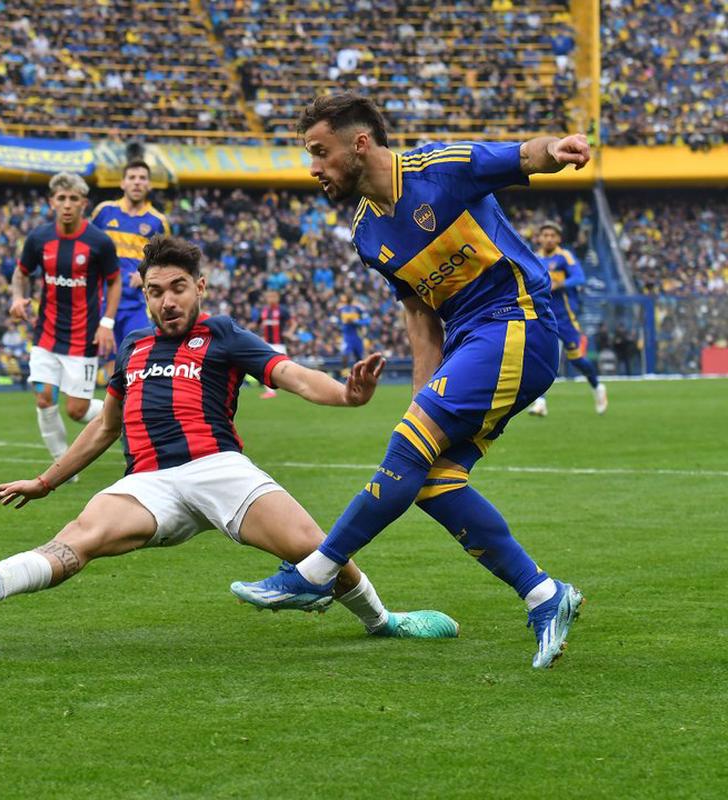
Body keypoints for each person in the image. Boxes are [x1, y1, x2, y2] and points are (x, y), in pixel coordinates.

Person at [0, 235, 459, 641]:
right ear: (144, 295)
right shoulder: (130, 347)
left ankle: (382, 621)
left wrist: (347, 394)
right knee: (78, 537)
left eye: (178, 288)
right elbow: (106, 426)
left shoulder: (221, 333)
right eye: (156, 292)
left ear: (199, 287)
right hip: (147, 482)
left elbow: (290, 373)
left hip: (217, 468)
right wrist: (45, 481)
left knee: (312, 549)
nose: (168, 301)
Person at [232, 93, 586, 669]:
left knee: (407, 446)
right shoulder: (367, 234)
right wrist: (425, 394)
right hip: (471, 342)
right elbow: (421, 317)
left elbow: (524, 155)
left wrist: (558, 149)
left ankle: (316, 572)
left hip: (520, 324)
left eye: (320, 153)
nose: (313, 168)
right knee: (431, 479)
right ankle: (546, 595)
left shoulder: (439, 170)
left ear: (360, 143)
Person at [12, 172, 122, 465]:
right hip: (45, 334)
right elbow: (21, 273)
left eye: (74, 199)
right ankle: (63, 465)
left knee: (77, 410)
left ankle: (130, 416)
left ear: (84, 203)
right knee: (44, 397)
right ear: (52, 202)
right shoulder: (39, 238)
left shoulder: (99, 242)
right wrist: (16, 297)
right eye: (61, 198)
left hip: (83, 337)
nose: (67, 204)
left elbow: (114, 281)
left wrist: (107, 323)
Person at [527, 221, 607, 417]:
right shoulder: (534, 258)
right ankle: (540, 402)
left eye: (552, 235)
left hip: (565, 317)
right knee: (542, 358)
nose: (548, 239)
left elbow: (579, 278)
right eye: (545, 235)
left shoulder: (565, 257)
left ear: (559, 238)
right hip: (543, 316)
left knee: (577, 360)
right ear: (539, 238)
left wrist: (560, 283)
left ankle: (597, 387)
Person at [90, 160, 170, 347]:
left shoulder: (158, 221)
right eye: (132, 177)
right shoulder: (104, 211)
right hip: (102, 299)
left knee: (136, 356)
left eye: (142, 178)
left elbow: (165, 262)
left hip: (136, 304)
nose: (137, 182)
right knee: (106, 358)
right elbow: (87, 247)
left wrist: (146, 276)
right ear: (122, 183)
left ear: (149, 185)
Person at [254, 288, 293, 398]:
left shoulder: (282, 311)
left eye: (273, 296)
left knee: (286, 367)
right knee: (265, 367)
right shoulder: (264, 311)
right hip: (267, 344)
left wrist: (289, 332)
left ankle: (291, 386)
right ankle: (270, 392)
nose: (271, 299)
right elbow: (257, 324)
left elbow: (293, 323)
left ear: (278, 298)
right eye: (269, 296)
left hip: (279, 344)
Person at [336, 292, 367, 376]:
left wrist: (356, 322)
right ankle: (345, 374)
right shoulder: (341, 309)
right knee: (345, 354)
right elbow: (337, 321)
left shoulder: (358, 308)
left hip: (357, 335)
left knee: (359, 357)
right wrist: (341, 324)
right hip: (347, 336)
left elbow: (367, 320)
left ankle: (359, 374)